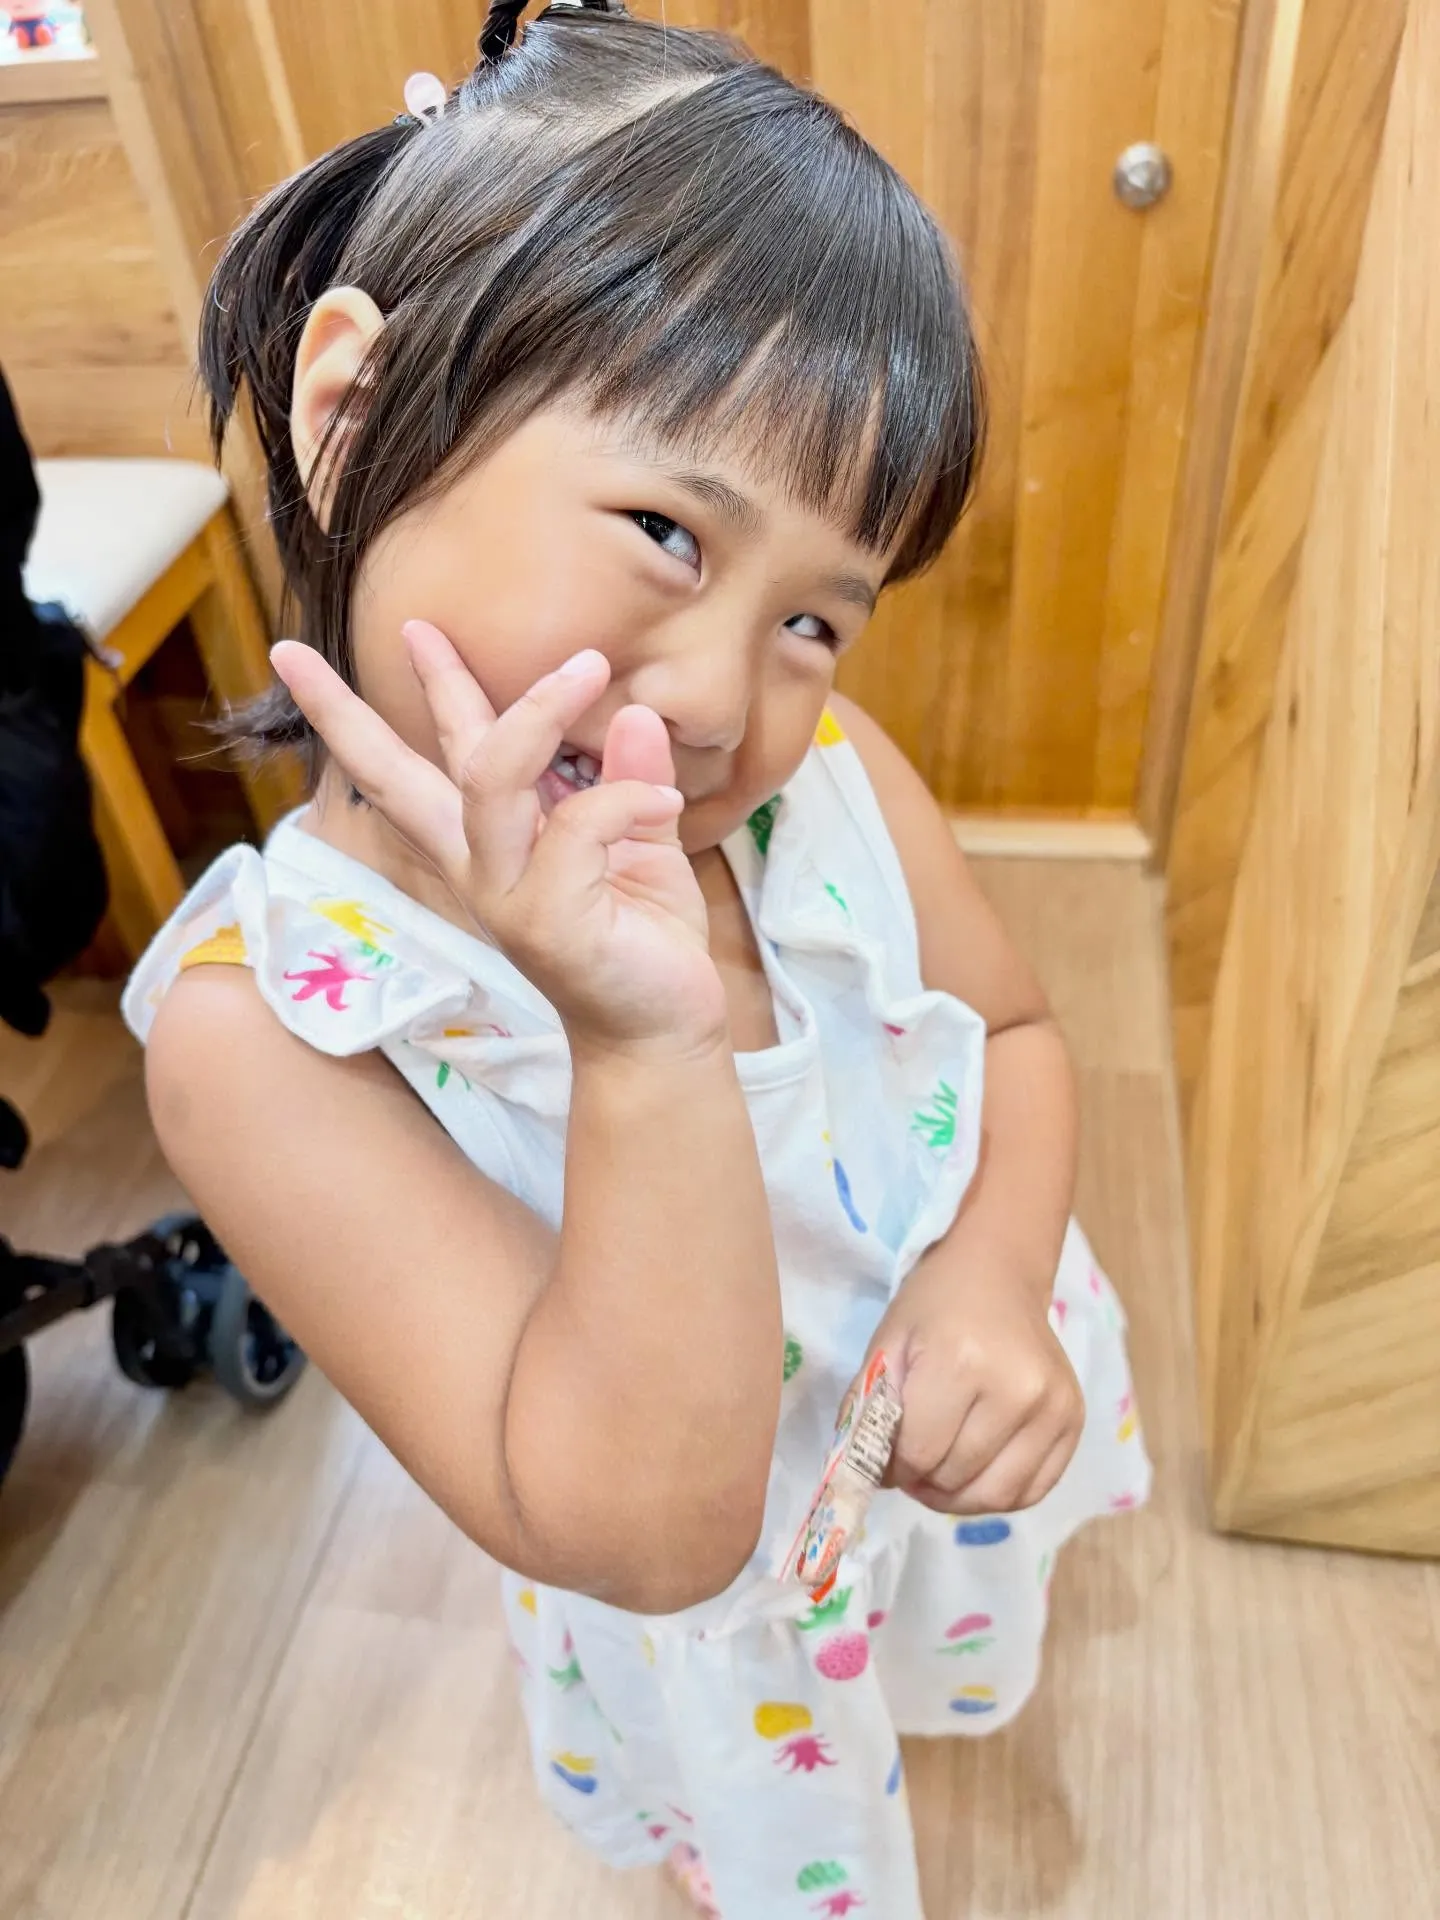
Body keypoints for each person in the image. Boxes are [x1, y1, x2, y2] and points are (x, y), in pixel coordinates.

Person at [125, 5, 1151, 1913]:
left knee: (920, 1657)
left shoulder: (827, 783)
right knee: (766, 1808)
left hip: (928, 1416)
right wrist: (640, 1044)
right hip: (715, 1590)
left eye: (818, 619)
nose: (723, 701)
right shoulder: (268, 1034)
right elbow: (645, 1526)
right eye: (670, 530)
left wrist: (996, 1275)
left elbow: (1009, 1030)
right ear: (350, 414)